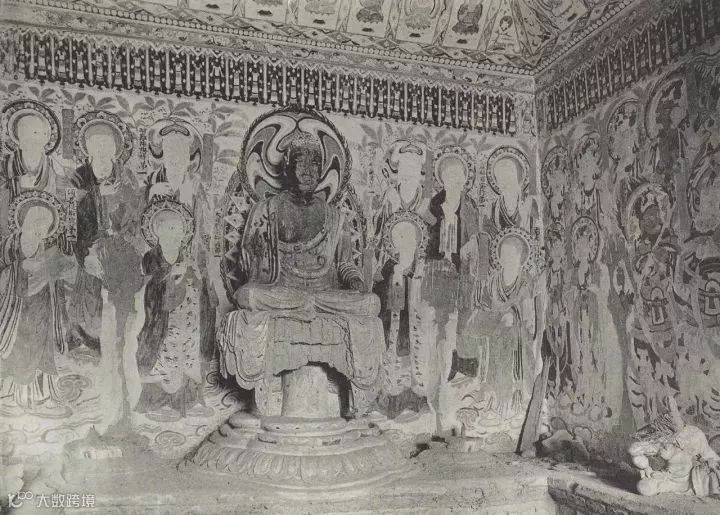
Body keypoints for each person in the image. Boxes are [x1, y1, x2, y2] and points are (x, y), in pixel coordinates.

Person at [219, 130, 384, 416]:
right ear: (286, 169)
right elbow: (250, 265)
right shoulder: (266, 210)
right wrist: (259, 258)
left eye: (315, 165)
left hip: (324, 295)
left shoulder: (336, 217)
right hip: (282, 292)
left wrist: (356, 280)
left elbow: (344, 264)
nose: (308, 171)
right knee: (249, 296)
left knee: (371, 303)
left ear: (323, 172)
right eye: (300, 163)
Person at [0, 193, 76, 414]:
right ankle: (14, 394)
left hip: (42, 306)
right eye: (35, 222)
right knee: (19, 348)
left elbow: (63, 269)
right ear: (24, 221)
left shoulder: (47, 248)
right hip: (14, 308)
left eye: (45, 225)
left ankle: (42, 395)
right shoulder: (8, 245)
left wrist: (58, 269)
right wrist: (20, 268)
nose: (39, 229)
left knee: (42, 348)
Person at [134, 202, 210, 420]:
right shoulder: (151, 256)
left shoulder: (186, 256)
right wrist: (171, 275)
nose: (176, 233)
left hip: (187, 321)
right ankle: (160, 403)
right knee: (162, 358)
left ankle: (189, 401)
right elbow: (150, 286)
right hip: (162, 318)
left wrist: (195, 275)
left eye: (179, 229)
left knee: (188, 357)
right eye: (170, 228)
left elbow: (197, 285)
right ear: (158, 231)